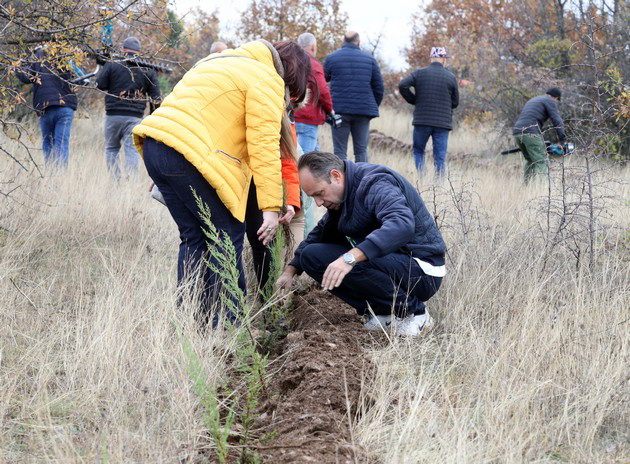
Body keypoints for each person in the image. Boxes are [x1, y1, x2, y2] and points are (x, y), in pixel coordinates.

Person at [132, 40, 311, 325]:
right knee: (226, 238)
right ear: (290, 75)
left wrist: (163, 168)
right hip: (190, 155)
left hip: (156, 145)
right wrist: (269, 207)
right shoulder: (265, 78)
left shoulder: (215, 62)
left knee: (194, 237)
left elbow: (179, 112)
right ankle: (231, 326)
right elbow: (263, 145)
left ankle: (194, 321)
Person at [276, 152, 446, 336]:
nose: (318, 203)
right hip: (394, 263)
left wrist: (350, 258)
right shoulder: (341, 197)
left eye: (319, 193)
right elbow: (321, 232)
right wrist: (291, 270)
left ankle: (415, 313)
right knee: (312, 255)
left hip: (422, 270)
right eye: (312, 197)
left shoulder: (374, 183)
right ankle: (383, 312)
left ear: (336, 176)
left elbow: (401, 224)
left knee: (349, 260)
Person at [96, 37, 161, 179]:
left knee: (112, 149)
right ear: (139, 52)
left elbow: (100, 84)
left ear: (123, 50)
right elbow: (156, 98)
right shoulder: (148, 69)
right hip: (135, 117)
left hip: (113, 115)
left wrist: (105, 64)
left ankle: (115, 182)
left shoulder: (113, 64)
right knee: (131, 150)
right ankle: (131, 183)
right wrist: (151, 117)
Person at [323, 32, 384, 162]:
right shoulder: (370, 59)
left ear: (343, 41)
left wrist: (326, 107)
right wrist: (371, 105)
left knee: (340, 151)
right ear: (358, 41)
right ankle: (362, 180)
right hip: (363, 111)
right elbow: (379, 88)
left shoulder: (332, 58)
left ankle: (341, 180)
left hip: (339, 111)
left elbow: (322, 82)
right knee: (361, 151)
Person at [398, 46, 459, 176]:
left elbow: (402, 85)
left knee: (419, 151)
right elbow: (455, 102)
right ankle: (439, 185)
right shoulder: (450, 77)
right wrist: (444, 106)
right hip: (442, 124)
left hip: (422, 121)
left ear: (431, 58)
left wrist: (414, 100)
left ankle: (422, 177)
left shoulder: (419, 73)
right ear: (443, 60)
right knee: (440, 157)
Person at [294, 31, 332, 236]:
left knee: (315, 160)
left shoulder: (291, 61)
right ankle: (303, 203)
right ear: (313, 46)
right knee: (305, 164)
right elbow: (323, 90)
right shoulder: (312, 64)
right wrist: (330, 110)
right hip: (308, 119)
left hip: (293, 117)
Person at [15, 47, 79, 167]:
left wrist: (16, 66)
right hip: (65, 106)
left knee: (48, 141)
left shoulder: (37, 56)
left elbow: (25, 77)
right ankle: (61, 176)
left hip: (46, 105)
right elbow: (79, 78)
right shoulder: (67, 54)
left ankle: (50, 174)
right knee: (62, 143)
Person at [513, 87, 566, 183]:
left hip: (517, 132)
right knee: (542, 161)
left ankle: (527, 187)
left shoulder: (534, 100)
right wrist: (562, 140)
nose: (556, 103)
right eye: (557, 101)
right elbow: (557, 121)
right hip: (530, 132)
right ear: (555, 97)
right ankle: (542, 190)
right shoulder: (549, 101)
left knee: (531, 161)